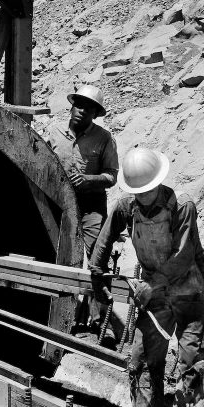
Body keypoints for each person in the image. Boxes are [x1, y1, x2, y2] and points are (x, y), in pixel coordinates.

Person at [89, 148, 204, 407]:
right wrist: (96, 271)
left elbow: (183, 256)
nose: (143, 197)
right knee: (141, 356)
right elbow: (106, 236)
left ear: (158, 182)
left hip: (189, 292)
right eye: (138, 193)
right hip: (155, 295)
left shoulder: (182, 206)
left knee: (191, 360)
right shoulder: (127, 205)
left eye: (148, 191)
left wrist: (150, 285)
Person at [46, 85, 118, 333]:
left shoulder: (104, 138)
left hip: (91, 205)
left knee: (98, 259)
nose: (81, 111)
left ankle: (100, 322)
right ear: (71, 105)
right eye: (78, 105)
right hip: (58, 202)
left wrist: (89, 180)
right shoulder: (54, 133)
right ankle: (59, 315)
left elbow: (111, 177)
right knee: (56, 255)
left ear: (95, 114)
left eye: (88, 109)